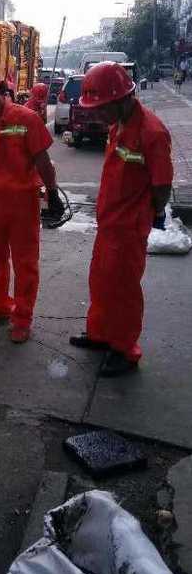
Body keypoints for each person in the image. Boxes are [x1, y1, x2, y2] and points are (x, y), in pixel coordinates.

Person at [69, 61, 173, 376]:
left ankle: (125, 349)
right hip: (109, 223)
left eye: (103, 108)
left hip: (129, 228)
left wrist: (152, 213)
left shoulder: (151, 132)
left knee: (124, 290)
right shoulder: (118, 124)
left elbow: (162, 185)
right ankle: (101, 335)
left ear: (122, 98)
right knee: (101, 282)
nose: (98, 115)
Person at [0, 61, 65, 343]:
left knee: (25, 262)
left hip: (23, 202)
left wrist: (52, 193)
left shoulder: (26, 118)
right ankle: (1, 306)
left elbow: (43, 161)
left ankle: (23, 317)